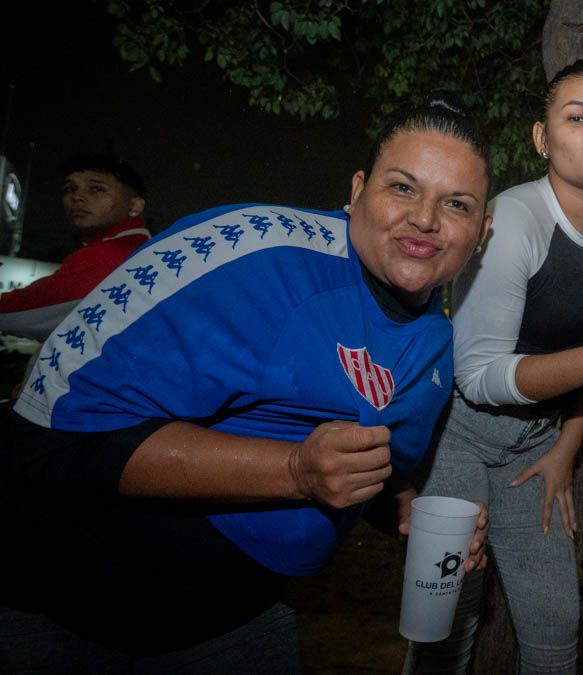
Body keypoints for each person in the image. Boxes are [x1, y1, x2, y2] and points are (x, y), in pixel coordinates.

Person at [0, 96, 492, 671]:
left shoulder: (437, 343)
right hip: (72, 604)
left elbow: (377, 475)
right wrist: (293, 471)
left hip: (239, 614)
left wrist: (410, 511)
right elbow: (45, 428)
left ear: (481, 231)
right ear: (358, 190)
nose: (426, 219)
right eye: (403, 188)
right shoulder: (248, 251)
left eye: (455, 204)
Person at [412, 59, 583, 673]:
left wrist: (567, 447)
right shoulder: (513, 220)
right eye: (576, 117)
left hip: (540, 441)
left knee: (557, 619)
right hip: (459, 434)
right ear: (541, 137)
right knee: (451, 616)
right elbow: (476, 376)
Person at [0, 154, 151, 339]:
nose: (77, 197)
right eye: (69, 188)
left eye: (97, 189)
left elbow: (18, 310)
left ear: (134, 206)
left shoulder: (109, 255)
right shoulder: (143, 249)